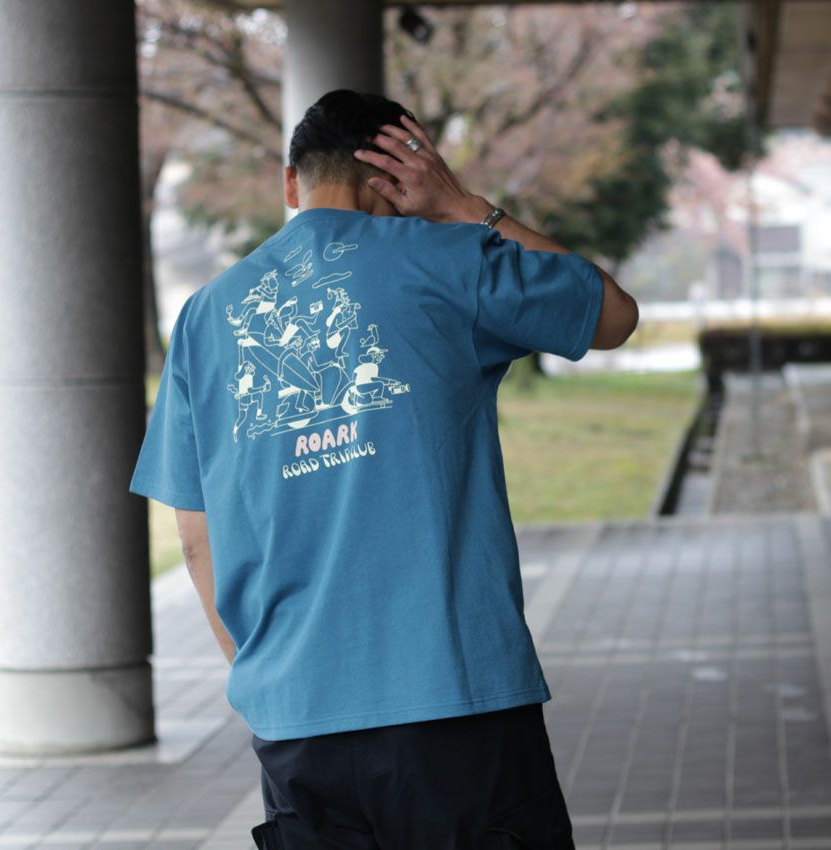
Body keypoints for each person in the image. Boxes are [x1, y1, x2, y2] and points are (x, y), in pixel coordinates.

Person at [128, 89, 638, 850]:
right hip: (454, 698)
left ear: (291, 182)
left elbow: (195, 537)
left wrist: (266, 676)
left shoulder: (206, 314)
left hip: (295, 713)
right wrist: (466, 208)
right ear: (397, 176)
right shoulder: (448, 259)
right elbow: (613, 315)